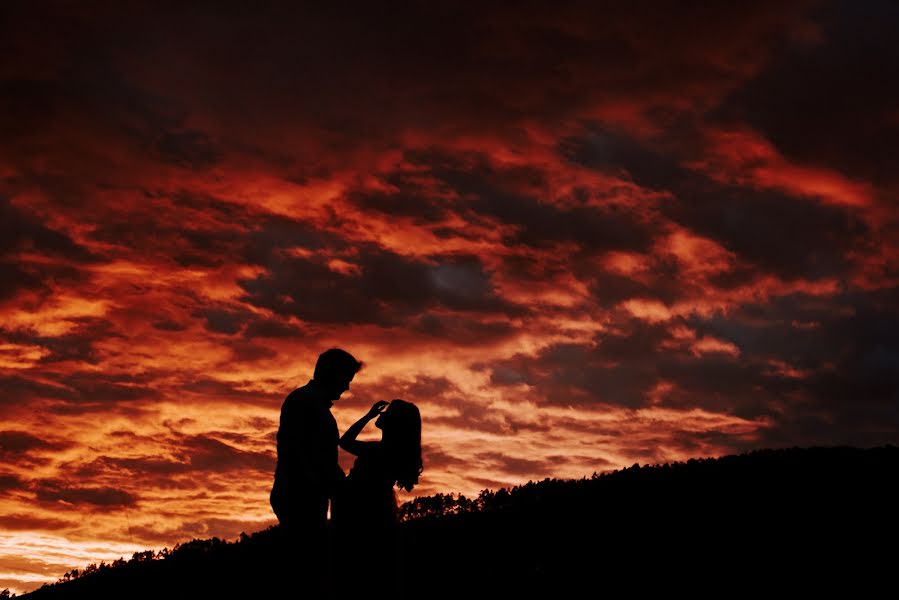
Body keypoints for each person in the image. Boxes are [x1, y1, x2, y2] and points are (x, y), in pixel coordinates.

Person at [269, 348, 362, 593]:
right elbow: (300, 452)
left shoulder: (309, 402)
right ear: (333, 374)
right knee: (307, 574)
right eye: (346, 379)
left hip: (306, 495)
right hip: (300, 496)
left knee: (309, 569)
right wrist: (336, 486)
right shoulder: (305, 402)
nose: (347, 388)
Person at [332, 398, 423, 595]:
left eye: (387, 412)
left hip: (360, 525)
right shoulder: (385, 451)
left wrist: (368, 416)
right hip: (367, 522)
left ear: (395, 423)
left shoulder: (380, 452)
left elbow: (344, 442)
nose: (382, 414)